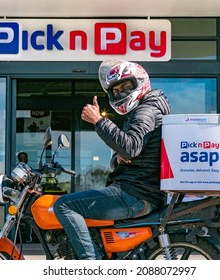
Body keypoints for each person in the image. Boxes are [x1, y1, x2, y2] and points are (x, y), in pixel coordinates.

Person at [53, 58, 171, 260]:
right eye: (116, 90)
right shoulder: (146, 110)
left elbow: (131, 147)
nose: (121, 92)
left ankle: (91, 264)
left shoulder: (145, 111)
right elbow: (129, 150)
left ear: (140, 82)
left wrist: (99, 121)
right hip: (140, 191)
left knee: (64, 204)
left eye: (126, 86)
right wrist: (118, 157)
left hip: (135, 194)